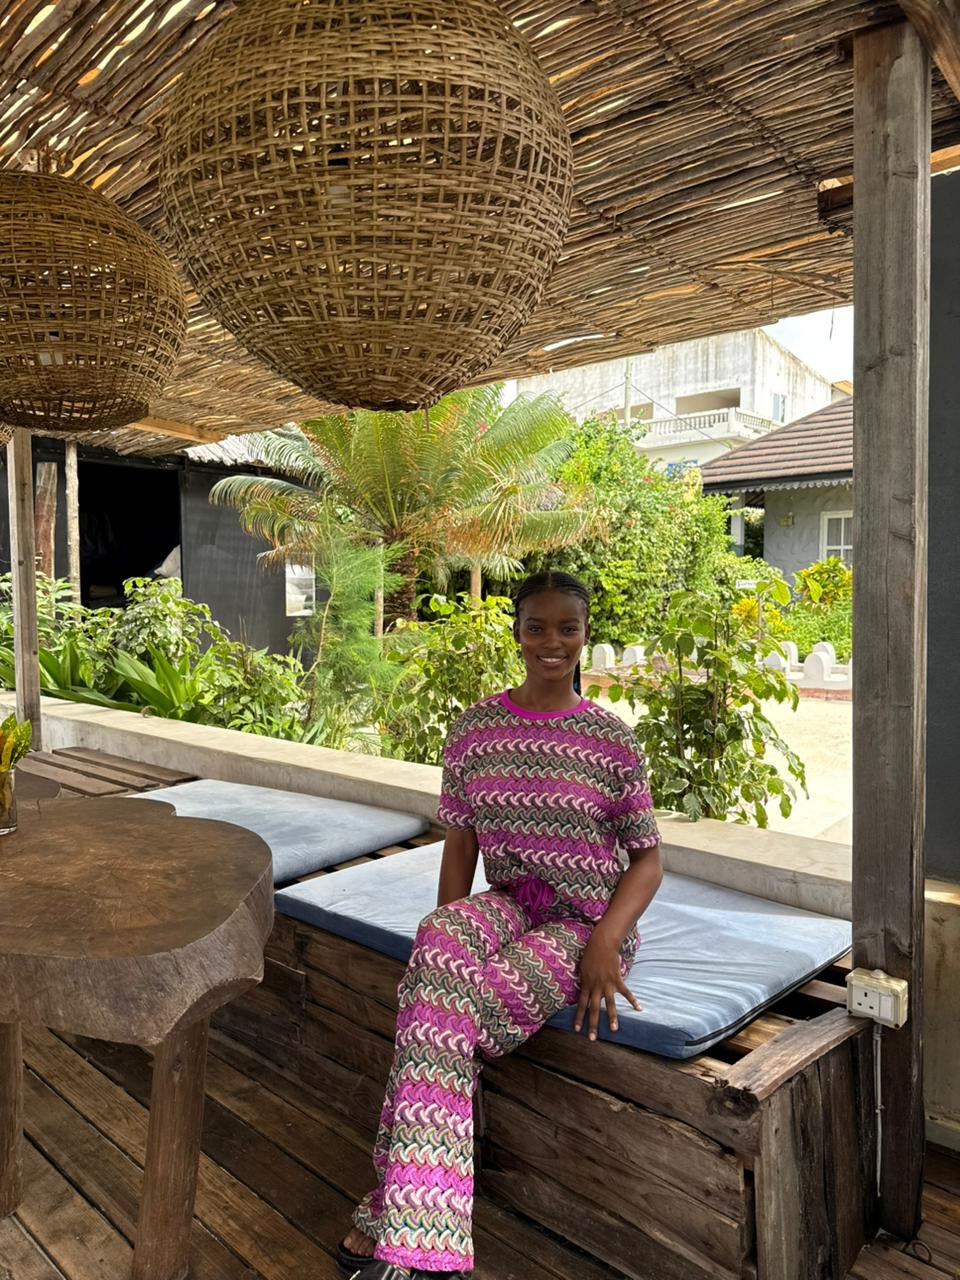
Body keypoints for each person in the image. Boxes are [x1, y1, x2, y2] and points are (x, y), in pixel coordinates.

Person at [339, 570, 663, 1279]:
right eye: (537, 627)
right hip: (511, 901)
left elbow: (647, 859)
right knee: (436, 947)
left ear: (585, 636)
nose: (552, 642)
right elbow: (460, 843)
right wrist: (445, 934)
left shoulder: (611, 740)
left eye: (568, 628)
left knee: (439, 1020)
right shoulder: (476, 729)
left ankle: (395, 1214)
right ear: (516, 633)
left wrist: (607, 940)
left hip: (586, 921)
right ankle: (422, 1233)